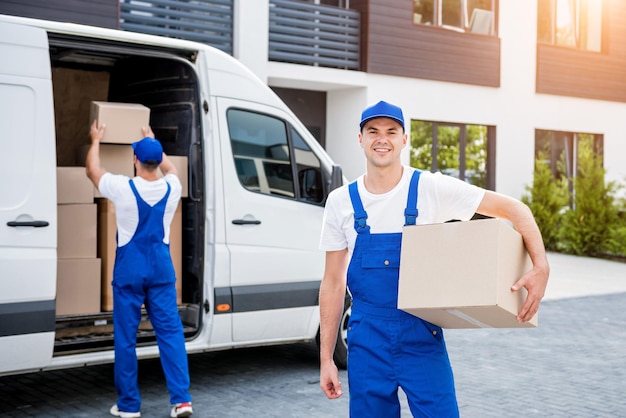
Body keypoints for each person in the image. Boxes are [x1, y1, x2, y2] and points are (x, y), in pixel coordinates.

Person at [318, 101, 550, 417]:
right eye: (373, 131)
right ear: (360, 139)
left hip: (420, 334)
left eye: (391, 132)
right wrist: (326, 358)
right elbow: (333, 282)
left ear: (404, 139)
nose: (382, 139)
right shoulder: (341, 202)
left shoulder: (429, 188)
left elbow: (516, 210)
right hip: (366, 337)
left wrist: (541, 266)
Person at [86, 120, 193, 418]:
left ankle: (130, 406)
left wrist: (96, 140)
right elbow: (171, 170)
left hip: (129, 272)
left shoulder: (122, 187)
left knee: (125, 338)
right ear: (157, 161)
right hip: (160, 271)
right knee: (170, 334)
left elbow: (92, 172)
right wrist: (155, 142)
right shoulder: (172, 187)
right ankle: (182, 401)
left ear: (135, 160)